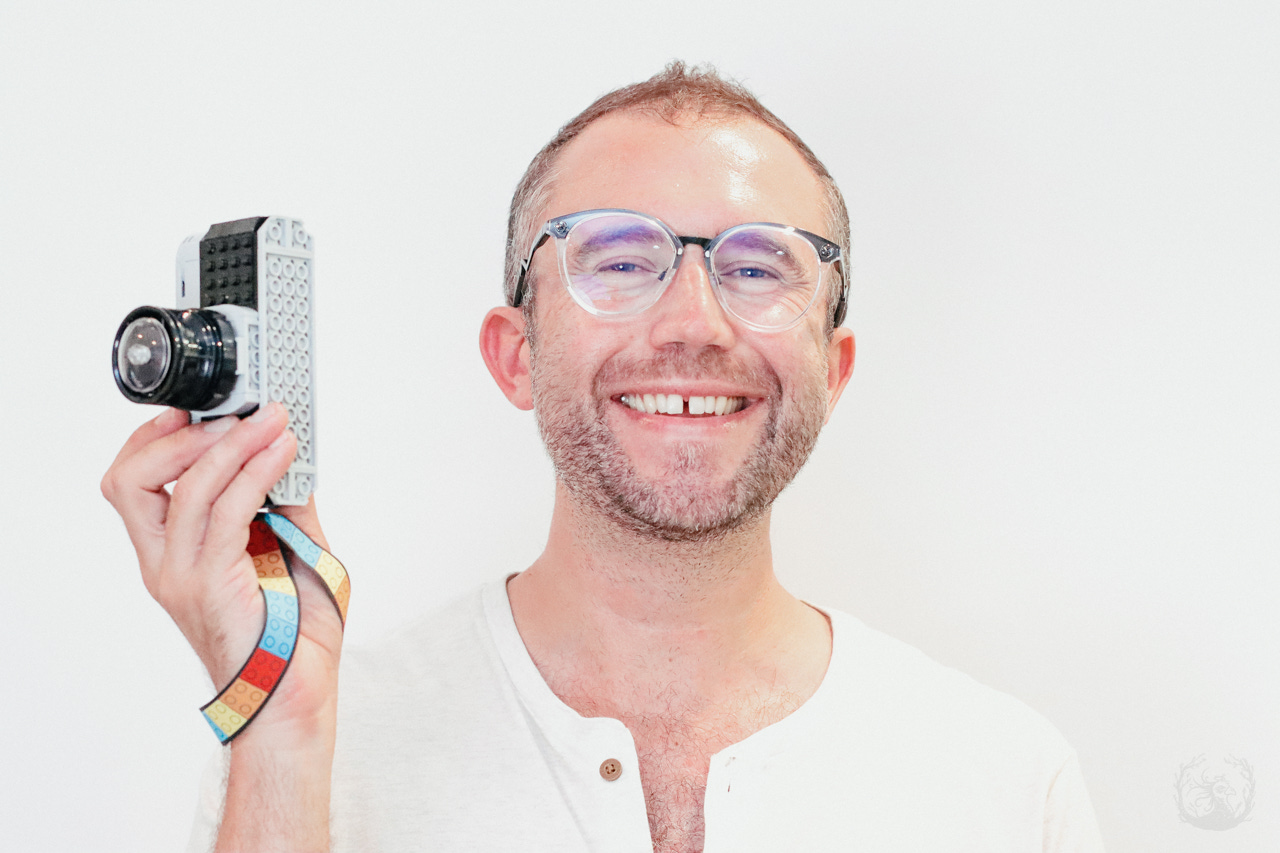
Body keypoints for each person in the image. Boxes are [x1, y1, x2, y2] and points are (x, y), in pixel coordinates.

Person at [102, 63, 1105, 852]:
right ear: (515, 355)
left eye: (759, 266)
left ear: (832, 371)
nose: (693, 321)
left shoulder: (1007, 783)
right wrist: (281, 733)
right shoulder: (312, 742)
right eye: (619, 261)